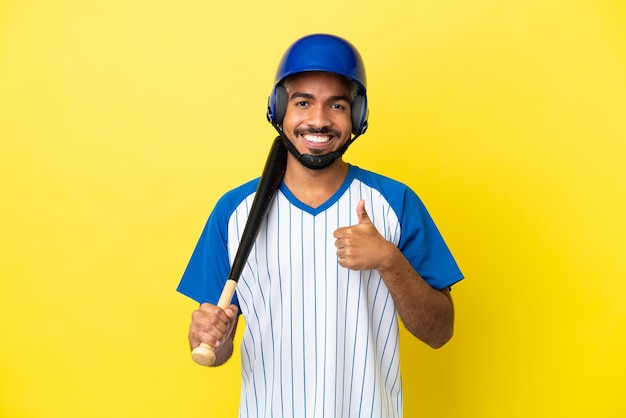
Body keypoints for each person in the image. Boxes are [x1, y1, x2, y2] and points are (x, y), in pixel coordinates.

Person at [177, 33, 463, 418]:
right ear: (280, 109)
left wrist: (388, 260)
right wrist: (211, 337)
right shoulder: (234, 211)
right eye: (302, 102)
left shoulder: (395, 203)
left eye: (337, 105)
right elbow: (216, 351)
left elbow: (439, 332)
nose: (318, 119)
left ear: (356, 116)